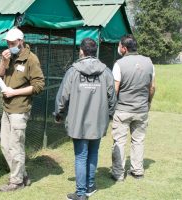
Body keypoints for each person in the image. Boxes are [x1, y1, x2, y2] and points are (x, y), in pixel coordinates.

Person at [55, 38, 116, 200]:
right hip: (98, 121)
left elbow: (62, 96)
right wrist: (109, 115)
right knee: (93, 152)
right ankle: (89, 186)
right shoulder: (105, 71)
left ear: (82, 51)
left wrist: (58, 114)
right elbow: (113, 99)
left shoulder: (73, 71)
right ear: (94, 51)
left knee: (81, 156)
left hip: (78, 122)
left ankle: (81, 193)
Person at [0, 28, 45, 192]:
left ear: (21, 41)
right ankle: (22, 175)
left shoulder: (31, 59)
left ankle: (16, 182)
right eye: (8, 43)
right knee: (5, 145)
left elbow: (39, 86)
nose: (10, 46)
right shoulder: (8, 56)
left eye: (13, 43)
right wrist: (3, 61)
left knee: (16, 146)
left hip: (20, 108)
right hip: (7, 108)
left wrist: (14, 92)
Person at [111, 34, 156, 181]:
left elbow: (115, 89)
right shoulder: (149, 62)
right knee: (138, 140)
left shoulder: (119, 64)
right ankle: (137, 171)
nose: (118, 48)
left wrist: (111, 107)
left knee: (119, 142)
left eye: (119, 46)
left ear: (124, 48)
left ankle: (118, 174)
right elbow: (152, 87)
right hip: (142, 110)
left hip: (122, 110)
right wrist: (148, 102)